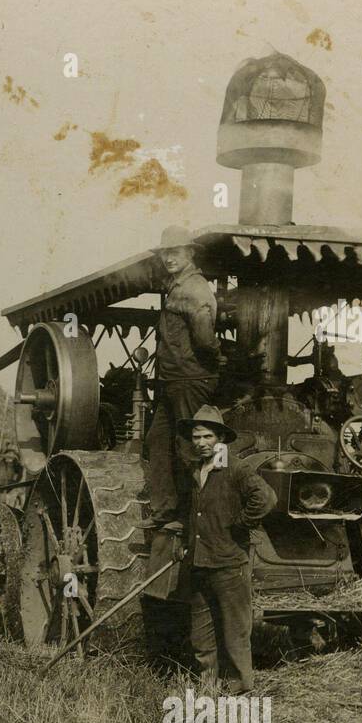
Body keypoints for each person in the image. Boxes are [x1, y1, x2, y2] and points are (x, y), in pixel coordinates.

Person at [178, 405, 275, 694]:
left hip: (229, 563)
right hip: (200, 562)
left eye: (207, 436)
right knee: (201, 632)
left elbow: (266, 498)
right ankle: (207, 685)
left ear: (220, 437)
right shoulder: (196, 469)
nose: (201, 443)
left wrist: (240, 524)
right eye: (196, 437)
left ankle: (239, 689)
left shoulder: (236, 467)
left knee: (235, 632)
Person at [143, 225, 221, 530]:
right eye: (165, 253)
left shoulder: (194, 288)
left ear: (189, 253)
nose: (168, 259)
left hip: (190, 380)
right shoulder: (178, 287)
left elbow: (204, 339)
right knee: (158, 440)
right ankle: (165, 511)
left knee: (191, 447)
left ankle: (192, 518)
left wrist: (213, 360)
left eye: (174, 252)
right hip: (173, 382)